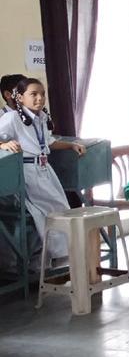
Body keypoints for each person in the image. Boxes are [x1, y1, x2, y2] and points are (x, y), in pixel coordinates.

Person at [0, 78, 85, 262]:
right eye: (33, 94)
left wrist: (71, 145)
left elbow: (48, 142)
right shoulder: (12, 118)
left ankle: (60, 258)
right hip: (28, 170)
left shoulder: (41, 117)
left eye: (42, 94)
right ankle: (62, 257)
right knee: (55, 210)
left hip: (45, 168)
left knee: (60, 208)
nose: (39, 98)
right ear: (20, 97)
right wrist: (4, 144)